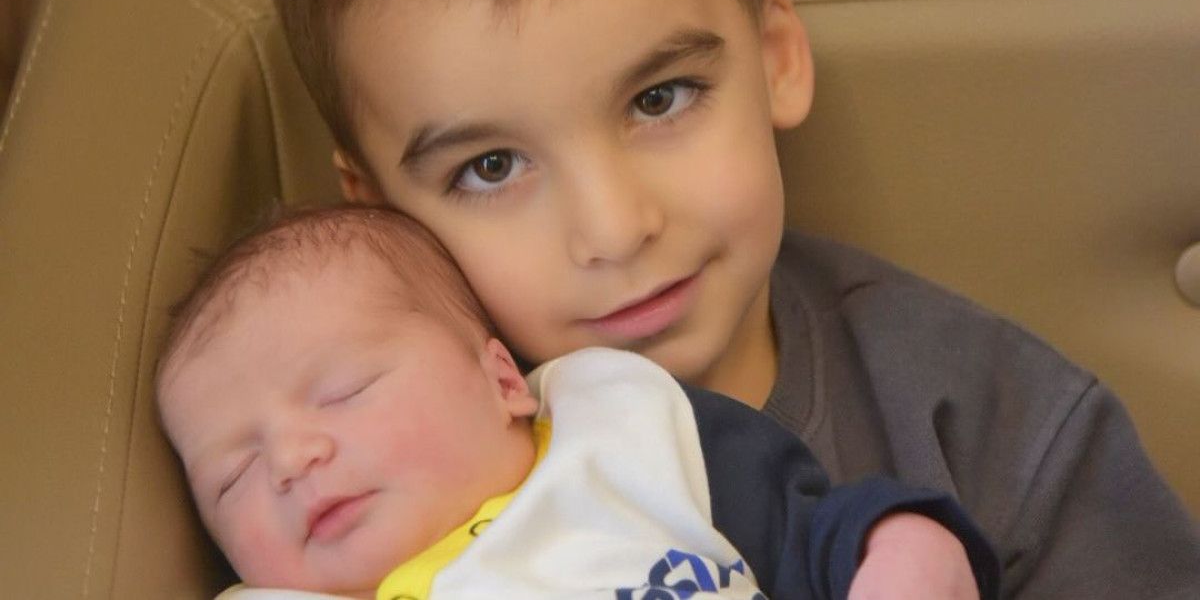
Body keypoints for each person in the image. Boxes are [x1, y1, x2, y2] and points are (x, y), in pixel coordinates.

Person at [266, 0, 1200, 597]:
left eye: (659, 98)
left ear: (776, 55)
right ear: (378, 210)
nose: (616, 228)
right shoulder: (355, 488)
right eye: (492, 167)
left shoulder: (994, 425)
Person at [155, 204, 999, 600]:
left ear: (501, 380)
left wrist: (900, 548)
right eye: (234, 475)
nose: (291, 460)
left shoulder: (624, 437)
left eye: (343, 391)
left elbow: (806, 526)